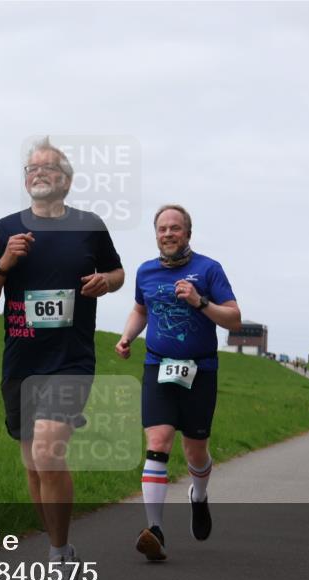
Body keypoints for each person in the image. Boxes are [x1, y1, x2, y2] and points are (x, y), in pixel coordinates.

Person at [0, 137, 124, 580]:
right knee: (33, 466)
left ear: (67, 180)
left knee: (48, 451)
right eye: (32, 168)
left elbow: (118, 274)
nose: (39, 173)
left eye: (50, 168)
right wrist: (4, 265)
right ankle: (64, 547)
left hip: (70, 361)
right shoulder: (5, 230)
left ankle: (57, 558)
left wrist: (106, 282)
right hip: (21, 362)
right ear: (25, 181)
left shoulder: (89, 227)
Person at [115, 204, 241, 561]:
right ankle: (154, 530)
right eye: (162, 229)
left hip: (200, 369)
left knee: (195, 450)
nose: (168, 234)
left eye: (175, 228)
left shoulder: (208, 269)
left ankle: (198, 497)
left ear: (188, 233)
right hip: (159, 366)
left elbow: (233, 318)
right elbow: (141, 309)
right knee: (158, 441)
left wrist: (200, 302)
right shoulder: (146, 272)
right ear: (156, 235)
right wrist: (127, 337)